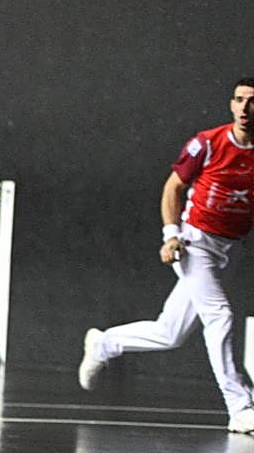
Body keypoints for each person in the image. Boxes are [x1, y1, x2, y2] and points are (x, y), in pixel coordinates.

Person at [78, 78, 254, 433]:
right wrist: (171, 235)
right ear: (231, 104)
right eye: (239, 100)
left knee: (170, 332)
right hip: (196, 243)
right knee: (220, 317)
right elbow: (173, 188)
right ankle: (240, 407)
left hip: (231, 248)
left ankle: (104, 343)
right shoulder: (207, 144)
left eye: (252, 101)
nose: (245, 109)